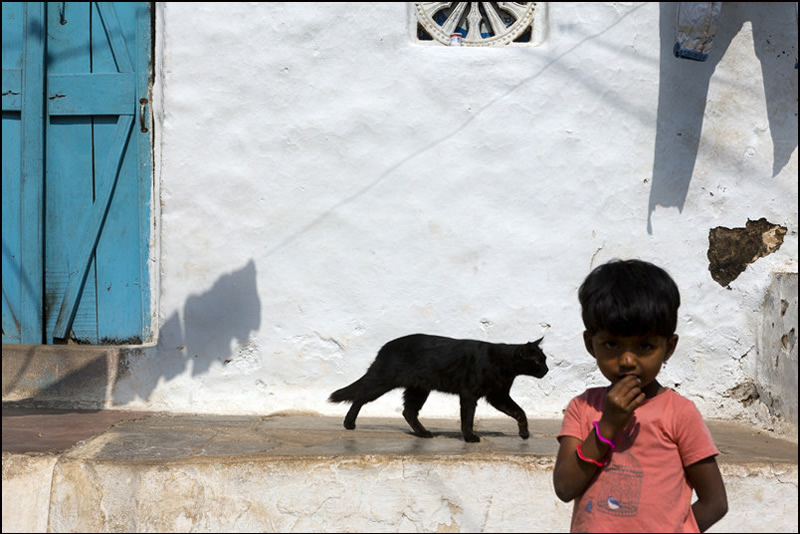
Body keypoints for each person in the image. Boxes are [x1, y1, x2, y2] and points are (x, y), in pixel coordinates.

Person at [553, 259, 728, 533]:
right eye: (611, 344)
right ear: (590, 344)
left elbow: (715, 502)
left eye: (644, 346)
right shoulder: (583, 408)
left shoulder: (679, 413)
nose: (626, 360)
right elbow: (564, 487)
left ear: (668, 348)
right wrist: (608, 425)